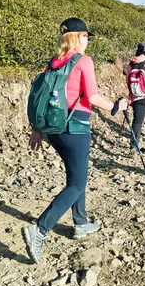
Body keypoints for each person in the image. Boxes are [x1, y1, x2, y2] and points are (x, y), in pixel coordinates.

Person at [23, 17, 128, 264]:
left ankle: (81, 222)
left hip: (53, 129)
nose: (88, 40)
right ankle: (40, 229)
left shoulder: (54, 63)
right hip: (75, 128)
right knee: (78, 183)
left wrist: (37, 129)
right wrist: (116, 105)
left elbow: (43, 97)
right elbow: (91, 97)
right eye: (86, 36)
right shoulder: (83, 61)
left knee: (75, 176)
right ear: (77, 37)